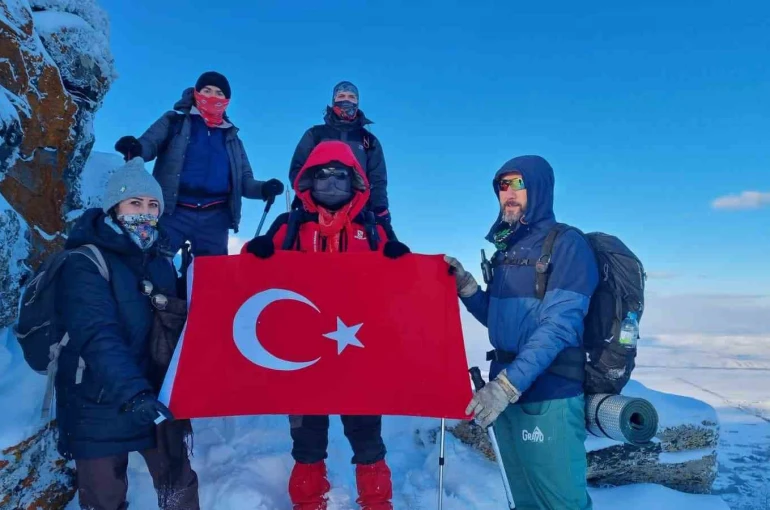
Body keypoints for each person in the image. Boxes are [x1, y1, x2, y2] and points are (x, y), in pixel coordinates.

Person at [244, 140, 409, 510]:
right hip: (301, 353)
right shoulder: (289, 226)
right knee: (307, 440)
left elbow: (401, 285)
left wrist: (404, 263)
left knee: (367, 438)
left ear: (355, 182)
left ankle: (376, 503)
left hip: (358, 352)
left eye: (340, 176)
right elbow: (249, 283)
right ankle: (307, 502)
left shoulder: (374, 228)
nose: (331, 183)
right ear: (309, 181)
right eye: (322, 175)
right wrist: (254, 255)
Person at [445, 155, 599, 510]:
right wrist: (468, 288)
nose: (509, 193)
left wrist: (506, 386)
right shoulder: (508, 249)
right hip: (506, 392)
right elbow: (503, 322)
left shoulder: (566, 244)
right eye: (503, 185)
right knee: (522, 498)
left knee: (561, 502)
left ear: (539, 188)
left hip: (549, 394)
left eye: (519, 184)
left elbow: (559, 327)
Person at [54, 157, 199, 509]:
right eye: (135, 202)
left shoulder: (160, 261)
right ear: (114, 207)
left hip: (154, 395)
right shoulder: (84, 262)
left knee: (179, 489)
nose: (145, 213)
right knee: (104, 499)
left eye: (152, 205)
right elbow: (96, 335)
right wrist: (134, 393)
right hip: (97, 399)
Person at [114, 71, 284, 257]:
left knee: (212, 272)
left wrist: (263, 189)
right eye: (207, 90)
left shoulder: (232, 138)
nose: (212, 97)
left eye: (219, 93)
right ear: (196, 93)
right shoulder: (175, 121)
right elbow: (150, 144)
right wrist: (136, 149)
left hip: (215, 217)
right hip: (172, 211)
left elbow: (243, 180)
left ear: (226, 100)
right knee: (155, 264)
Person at [288, 81, 391, 223]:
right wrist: (309, 199)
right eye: (341, 96)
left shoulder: (368, 140)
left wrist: (380, 208)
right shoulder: (315, 134)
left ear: (357, 102)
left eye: (351, 97)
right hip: (315, 212)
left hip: (358, 214)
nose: (346, 100)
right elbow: (298, 170)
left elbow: (377, 179)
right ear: (334, 100)